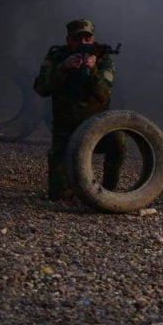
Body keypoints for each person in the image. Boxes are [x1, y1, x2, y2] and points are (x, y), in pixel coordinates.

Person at [33, 19, 124, 202]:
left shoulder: (102, 59)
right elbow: (41, 88)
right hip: (66, 127)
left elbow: (104, 95)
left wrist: (93, 70)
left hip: (96, 127)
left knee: (118, 142)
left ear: (93, 39)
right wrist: (63, 68)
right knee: (59, 197)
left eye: (87, 38)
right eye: (77, 39)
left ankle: (109, 191)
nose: (83, 42)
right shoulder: (57, 57)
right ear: (68, 40)